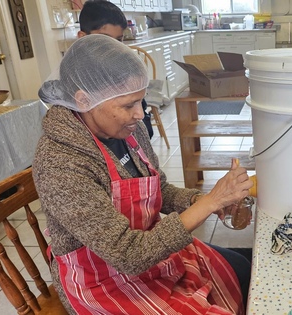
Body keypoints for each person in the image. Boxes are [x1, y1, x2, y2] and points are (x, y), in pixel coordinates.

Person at [33, 34, 253, 315]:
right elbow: (128, 255)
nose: (140, 115)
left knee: (241, 270)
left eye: (141, 101)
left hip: (150, 249)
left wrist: (208, 200)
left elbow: (160, 190)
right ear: (84, 99)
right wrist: (208, 204)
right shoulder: (61, 162)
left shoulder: (129, 130)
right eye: (128, 105)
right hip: (103, 279)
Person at [78, 0, 154, 139]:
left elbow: (145, 129)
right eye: (104, 39)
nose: (113, 47)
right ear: (82, 37)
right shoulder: (76, 76)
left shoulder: (126, 69)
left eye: (118, 40)